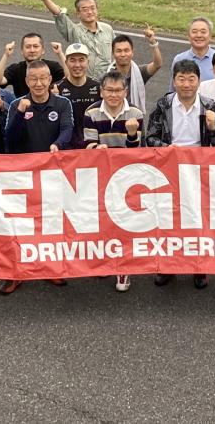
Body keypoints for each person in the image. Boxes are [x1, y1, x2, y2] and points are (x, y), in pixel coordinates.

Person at [145, 59, 215, 290]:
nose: (186, 84)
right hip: (169, 168)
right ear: (174, 81)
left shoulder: (209, 106)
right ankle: (167, 266)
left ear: (199, 81)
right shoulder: (164, 104)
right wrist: (167, 148)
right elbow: (149, 138)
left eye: (191, 79)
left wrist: (213, 128)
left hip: (199, 171)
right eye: (181, 79)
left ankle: (198, 266)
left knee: (197, 220)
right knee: (168, 219)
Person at [0, 60, 74, 295]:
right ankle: (15, 273)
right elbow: (10, 138)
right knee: (20, 225)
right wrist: (21, 114)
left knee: (51, 223)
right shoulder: (17, 104)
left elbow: (67, 129)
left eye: (43, 78)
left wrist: (57, 144)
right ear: (27, 81)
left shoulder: (62, 103)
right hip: (22, 175)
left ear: (50, 79)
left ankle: (49, 268)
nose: (39, 83)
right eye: (34, 79)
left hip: (52, 174)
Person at [82, 69, 144, 292]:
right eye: (109, 90)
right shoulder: (91, 112)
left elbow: (137, 151)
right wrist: (97, 148)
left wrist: (131, 134)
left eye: (118, 91)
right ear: (101, 91)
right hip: (101, 174)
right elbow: (87, 144)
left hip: (127, 176)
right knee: (102, 220)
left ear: (125, 92)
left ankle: (124, 268)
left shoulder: (135, 113)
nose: (114, 95)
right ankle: (105, 260)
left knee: (125, 222)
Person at [34, 0, 116, 78]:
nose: (90, 12)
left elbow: (117, 51)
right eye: (85, 9)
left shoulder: (108, 29)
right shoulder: (74, 31)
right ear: (78, 14)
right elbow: (59, 15)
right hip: (84, 82)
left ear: (97, 10)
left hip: (107, 81)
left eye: (92, 8)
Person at [55, 43, 101, 150]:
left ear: (88, 62)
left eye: (81, 60)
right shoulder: (57, 89)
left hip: (92, 146)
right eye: (72, 60)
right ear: (66, 63)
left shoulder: (98, 88)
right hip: (67, 148)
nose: (77, 65)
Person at [106, 30, 163, 112]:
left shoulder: (139, 72)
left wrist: (153, 43)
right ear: (113, 54)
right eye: (119, 51)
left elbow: (157, 64)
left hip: (135, 117)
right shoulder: (106, 77)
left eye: (126, 50)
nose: (123, 54)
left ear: (132, 52)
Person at [0, 34, 65, 97]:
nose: (32, 50)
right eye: (28, 47)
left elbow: (69, 77)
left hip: (48, 103)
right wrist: (6, 55)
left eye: (35, 46)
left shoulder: (53, 66)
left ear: (43, 50)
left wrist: (60, 53)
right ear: (22, 51)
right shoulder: (15, 69)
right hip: (21, 103)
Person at [170, 16, 215, 82]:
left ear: (210, 36)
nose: (199, 35)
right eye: (194, 32)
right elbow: (174, 87)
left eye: (203, 32)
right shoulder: (179, 59)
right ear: (188, 36)